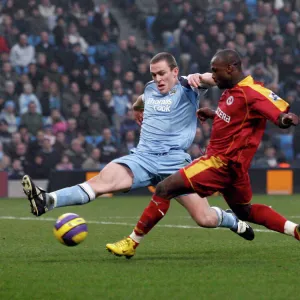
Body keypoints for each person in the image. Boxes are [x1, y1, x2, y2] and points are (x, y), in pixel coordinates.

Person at [21, 52, 254, 256]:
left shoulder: (188, 86)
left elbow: (216, 78)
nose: (157, 79)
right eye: (154, 74)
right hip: (142, 158)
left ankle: (232, 221)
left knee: (204, 219)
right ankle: (47, 201)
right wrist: (136, 109)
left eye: (162, 73)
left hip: (174, 164)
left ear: (175, 71)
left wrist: (202, 77)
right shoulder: (150, 89)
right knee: (101, 181)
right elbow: (142, 99)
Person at [108, 49, 300, 258]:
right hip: (235, 170)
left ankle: (131, 242)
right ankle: (295, 230)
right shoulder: (231, 89)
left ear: (231, 68)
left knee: (164, 188)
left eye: (216, 71)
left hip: (219, 163)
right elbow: (237, 120)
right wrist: (213, 115)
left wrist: (284, 119)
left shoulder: (252, 92)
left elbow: (278, 113)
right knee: (245, 212)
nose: (213, 77)